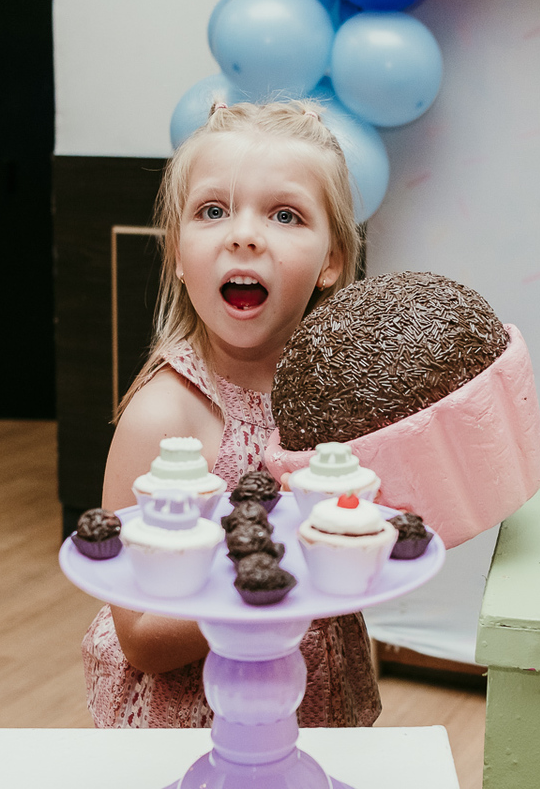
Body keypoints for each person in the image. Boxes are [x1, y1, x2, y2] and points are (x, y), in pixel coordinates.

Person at [82, 99, 378, 729]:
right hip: (196, 727)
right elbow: (138, 634)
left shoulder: (338, 403)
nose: (243, 233)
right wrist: (292, 580)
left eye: (286, 214)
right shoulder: (163, 421)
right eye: (213, 211)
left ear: (331, 260)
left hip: (308, 708)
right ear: (179, 259)